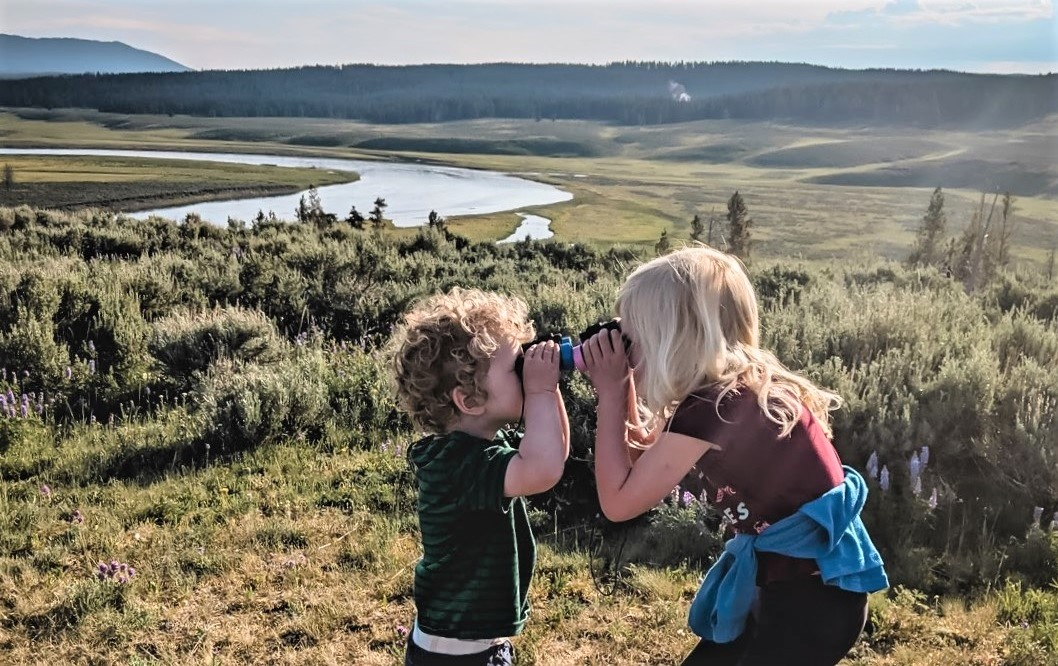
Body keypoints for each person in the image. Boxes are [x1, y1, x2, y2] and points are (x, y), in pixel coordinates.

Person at [580, 246, 888, 666]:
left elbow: (619, 502)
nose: (630, 349)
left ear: (673, 340)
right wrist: (622, 387)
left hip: (809, 604)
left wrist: (612, 391)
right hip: (808, 590)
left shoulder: (714, 410)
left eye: (636, 337)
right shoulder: (732, 393)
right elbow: (641, 461)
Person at [390, 287, 570, 666]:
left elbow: (554, 453)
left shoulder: (480, 447)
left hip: (465, 645)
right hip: (458, 656)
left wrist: (546, 389)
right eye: (515, 368)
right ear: (469, 400)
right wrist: (541, 387)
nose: (524, 374)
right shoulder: (459, 465)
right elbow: (543, 468)